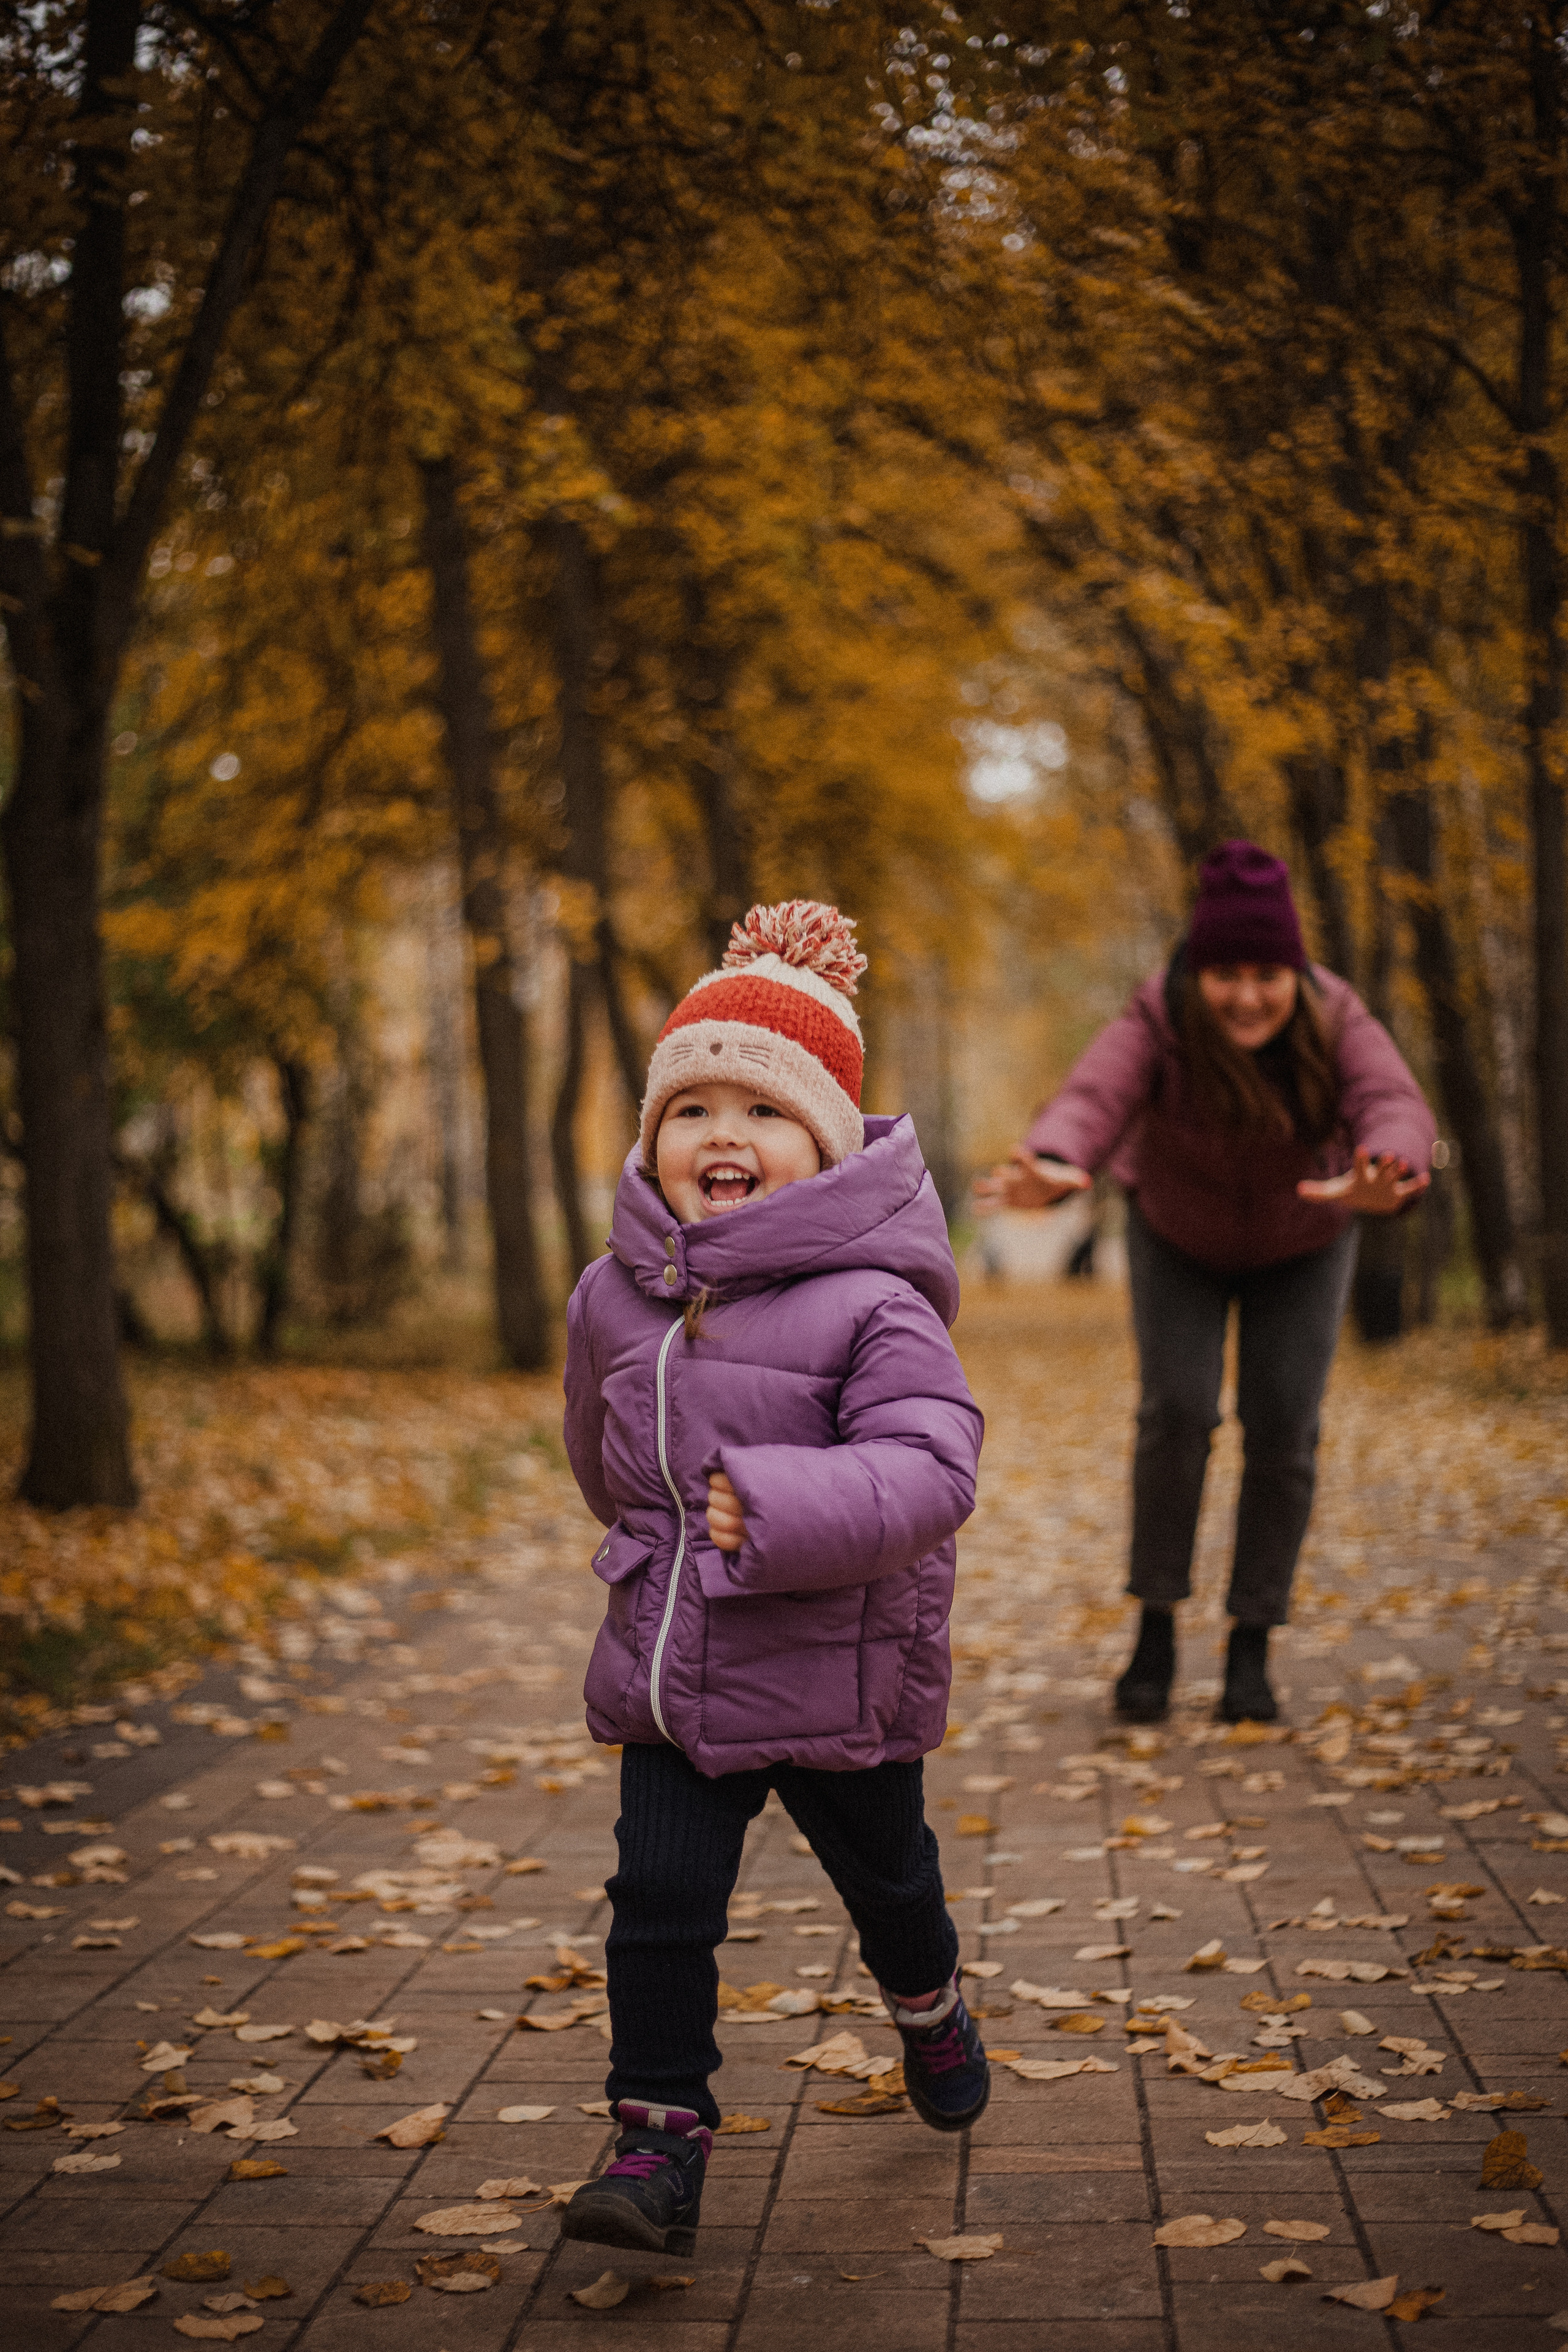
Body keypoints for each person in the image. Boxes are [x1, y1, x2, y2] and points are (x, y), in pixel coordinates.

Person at [559, 899, 987, 2260]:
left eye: (762, 1108)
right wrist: (652, 1555)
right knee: (659, 1903)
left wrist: (778, 1507)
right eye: (691, 1110)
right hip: (678, 1676)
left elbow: (933, 1469)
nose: (722, 1135)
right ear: (652, 1140)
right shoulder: (612, 1297)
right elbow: (600, 1453)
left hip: (833, 1664)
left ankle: (926, 2004)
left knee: (889, 1882)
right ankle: (656, 2136)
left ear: (827, 1145)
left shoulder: (875, 1302)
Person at [976, 841, 1435, 1727]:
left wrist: (1391, 1163)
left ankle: (1250, 1644)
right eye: (1226, 972)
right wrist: (1059, 1158)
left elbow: (1395, 1101)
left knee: (1284, 1432)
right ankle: (1155, 1627)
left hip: (1304, 1237)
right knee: (1177, 1413)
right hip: (1177, 1235)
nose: (1247, 994)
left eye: (1268, 972)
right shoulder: (1159, 1016)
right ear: (1198, 969)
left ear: (1295, 971)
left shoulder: (1337, 1015)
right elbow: (1093, 1094)